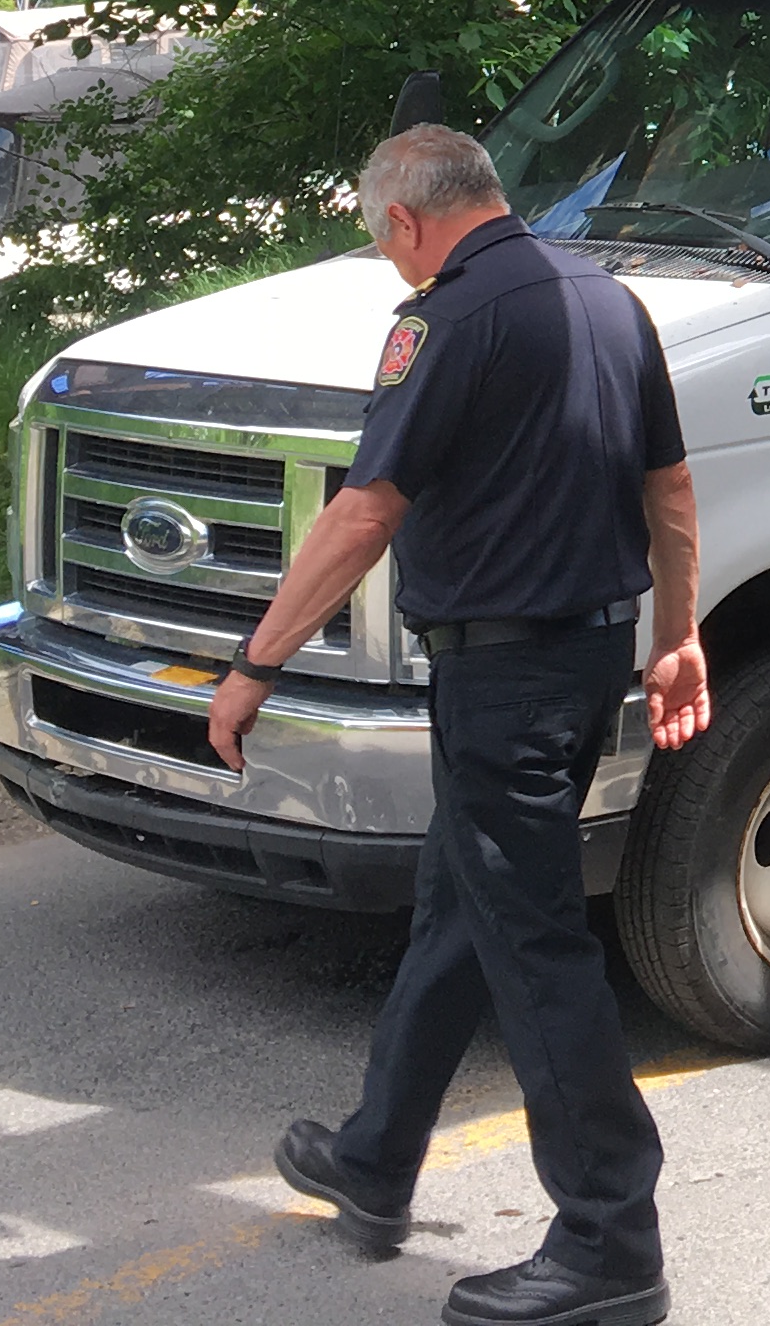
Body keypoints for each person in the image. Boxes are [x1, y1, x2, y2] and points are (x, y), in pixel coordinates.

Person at [211, 125, 710, 1326]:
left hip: (504, 677)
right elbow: (672, 492)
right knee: (461, 904)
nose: (389, 260)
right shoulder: (608, 302)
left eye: (381, 240)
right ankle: (377, 1159)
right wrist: (678, 636)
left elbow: (365, 512)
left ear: (404, 222)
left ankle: (609, 1240)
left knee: (536, 948)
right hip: (585, 657)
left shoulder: (445, 319)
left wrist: (254, 664)